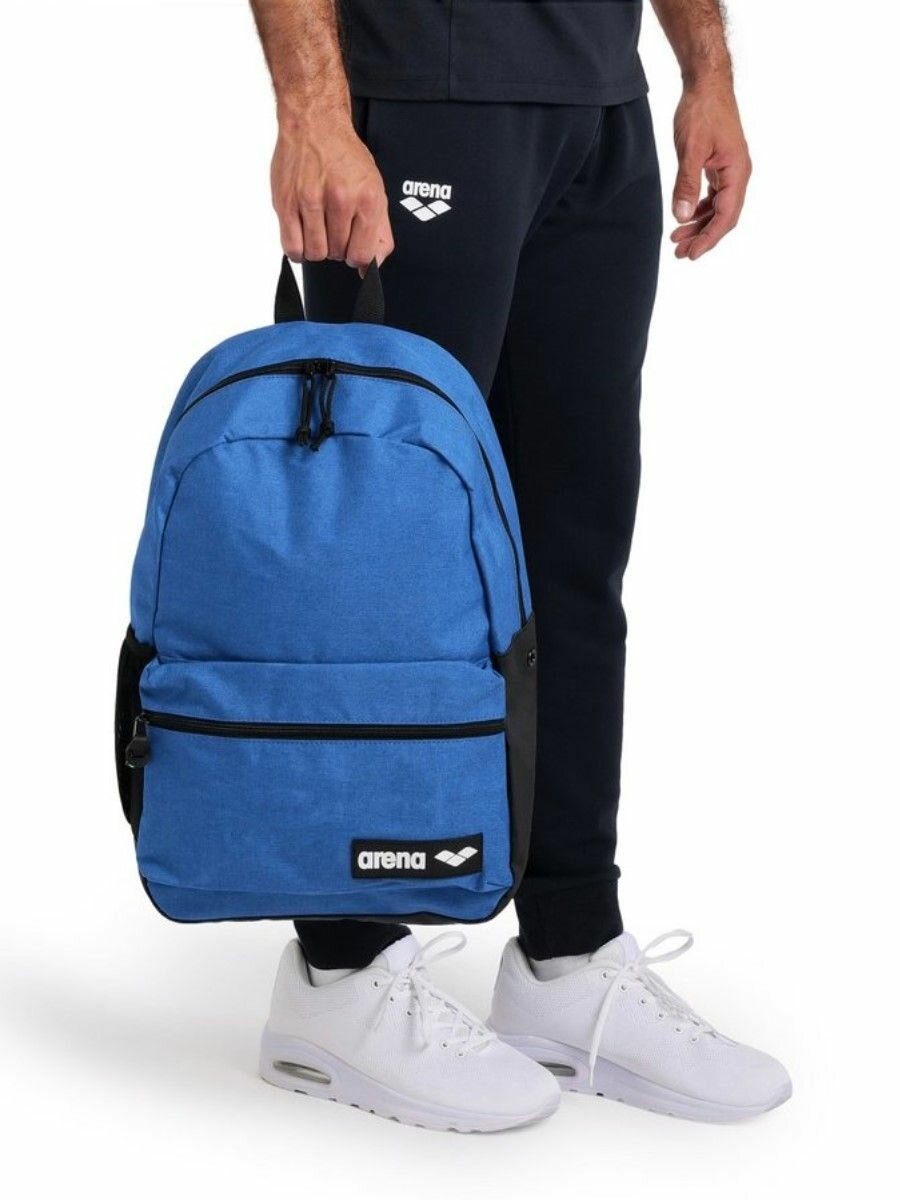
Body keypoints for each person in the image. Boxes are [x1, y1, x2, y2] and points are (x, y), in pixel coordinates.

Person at [249, 0, 791, 1131]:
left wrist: (705, 71)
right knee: (387, 550)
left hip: (600, 111)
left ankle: (569, 953)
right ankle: (339, 970)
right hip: (424, 97)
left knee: (574, 554)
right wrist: (312, 109)